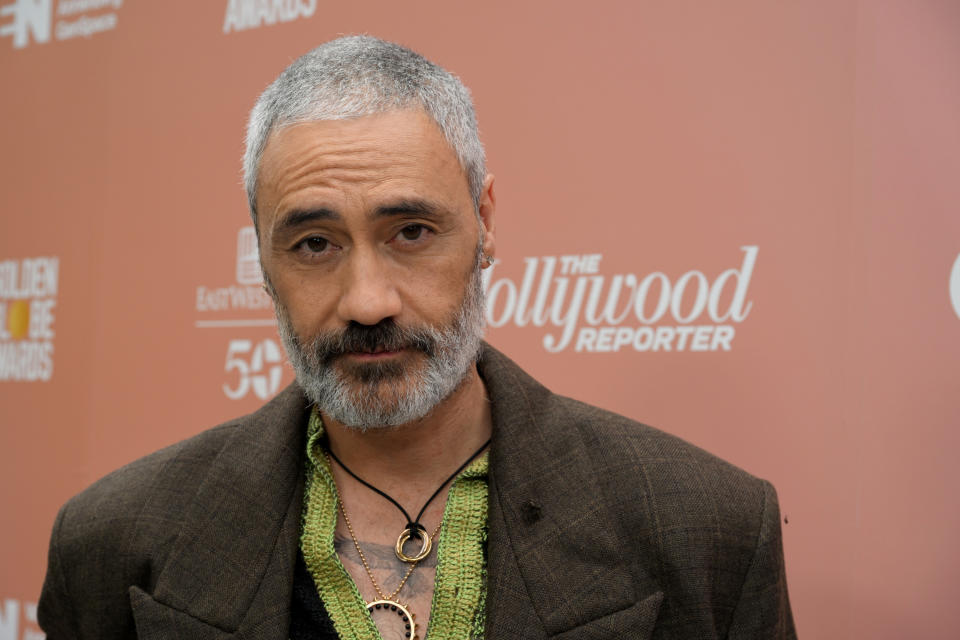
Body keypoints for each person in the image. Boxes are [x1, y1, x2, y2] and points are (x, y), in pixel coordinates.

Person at [38, 36, 796, 639]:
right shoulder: (111, 546)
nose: (368, 302)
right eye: (314, 245)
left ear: (485, 223)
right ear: (263, 262)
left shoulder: (711, 533)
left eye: (411, 231)